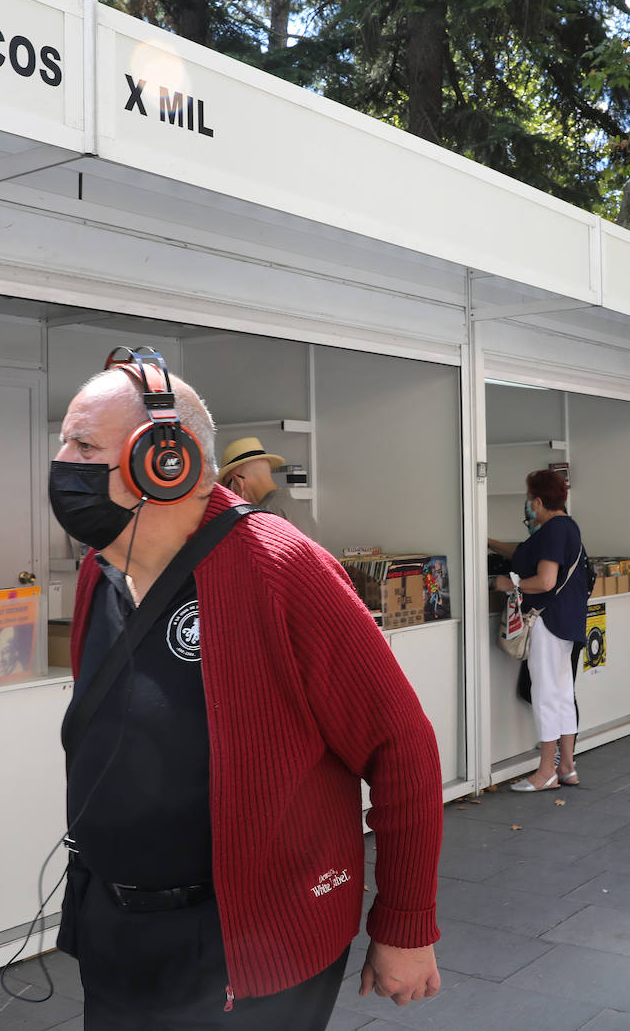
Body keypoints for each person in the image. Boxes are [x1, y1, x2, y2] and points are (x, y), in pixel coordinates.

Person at [51, 358, 442, 1028]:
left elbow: (402, 746)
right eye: (64, 444)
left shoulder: (280, 567)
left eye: (84, 446)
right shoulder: (99, 571)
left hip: (247, 955)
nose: (62, 464)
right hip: (116, 938)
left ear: (164, 461)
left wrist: (405, 925)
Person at [488, 469, 587, 792]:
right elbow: (523, 553)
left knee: (545, 695)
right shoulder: (564, 527)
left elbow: (544, 581)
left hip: (546, 622)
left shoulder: (553, 532)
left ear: (539, 501)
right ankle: (567, 766)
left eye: (530, 499)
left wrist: (510, 583)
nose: (528, 505)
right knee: (561, 695)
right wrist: (486, 541)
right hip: (566, 622)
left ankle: (545, 772)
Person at [218, 437, 319, 541]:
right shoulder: (298, 509)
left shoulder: (262, 517)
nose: (230, 492)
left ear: (238, 481)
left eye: (228, 486)